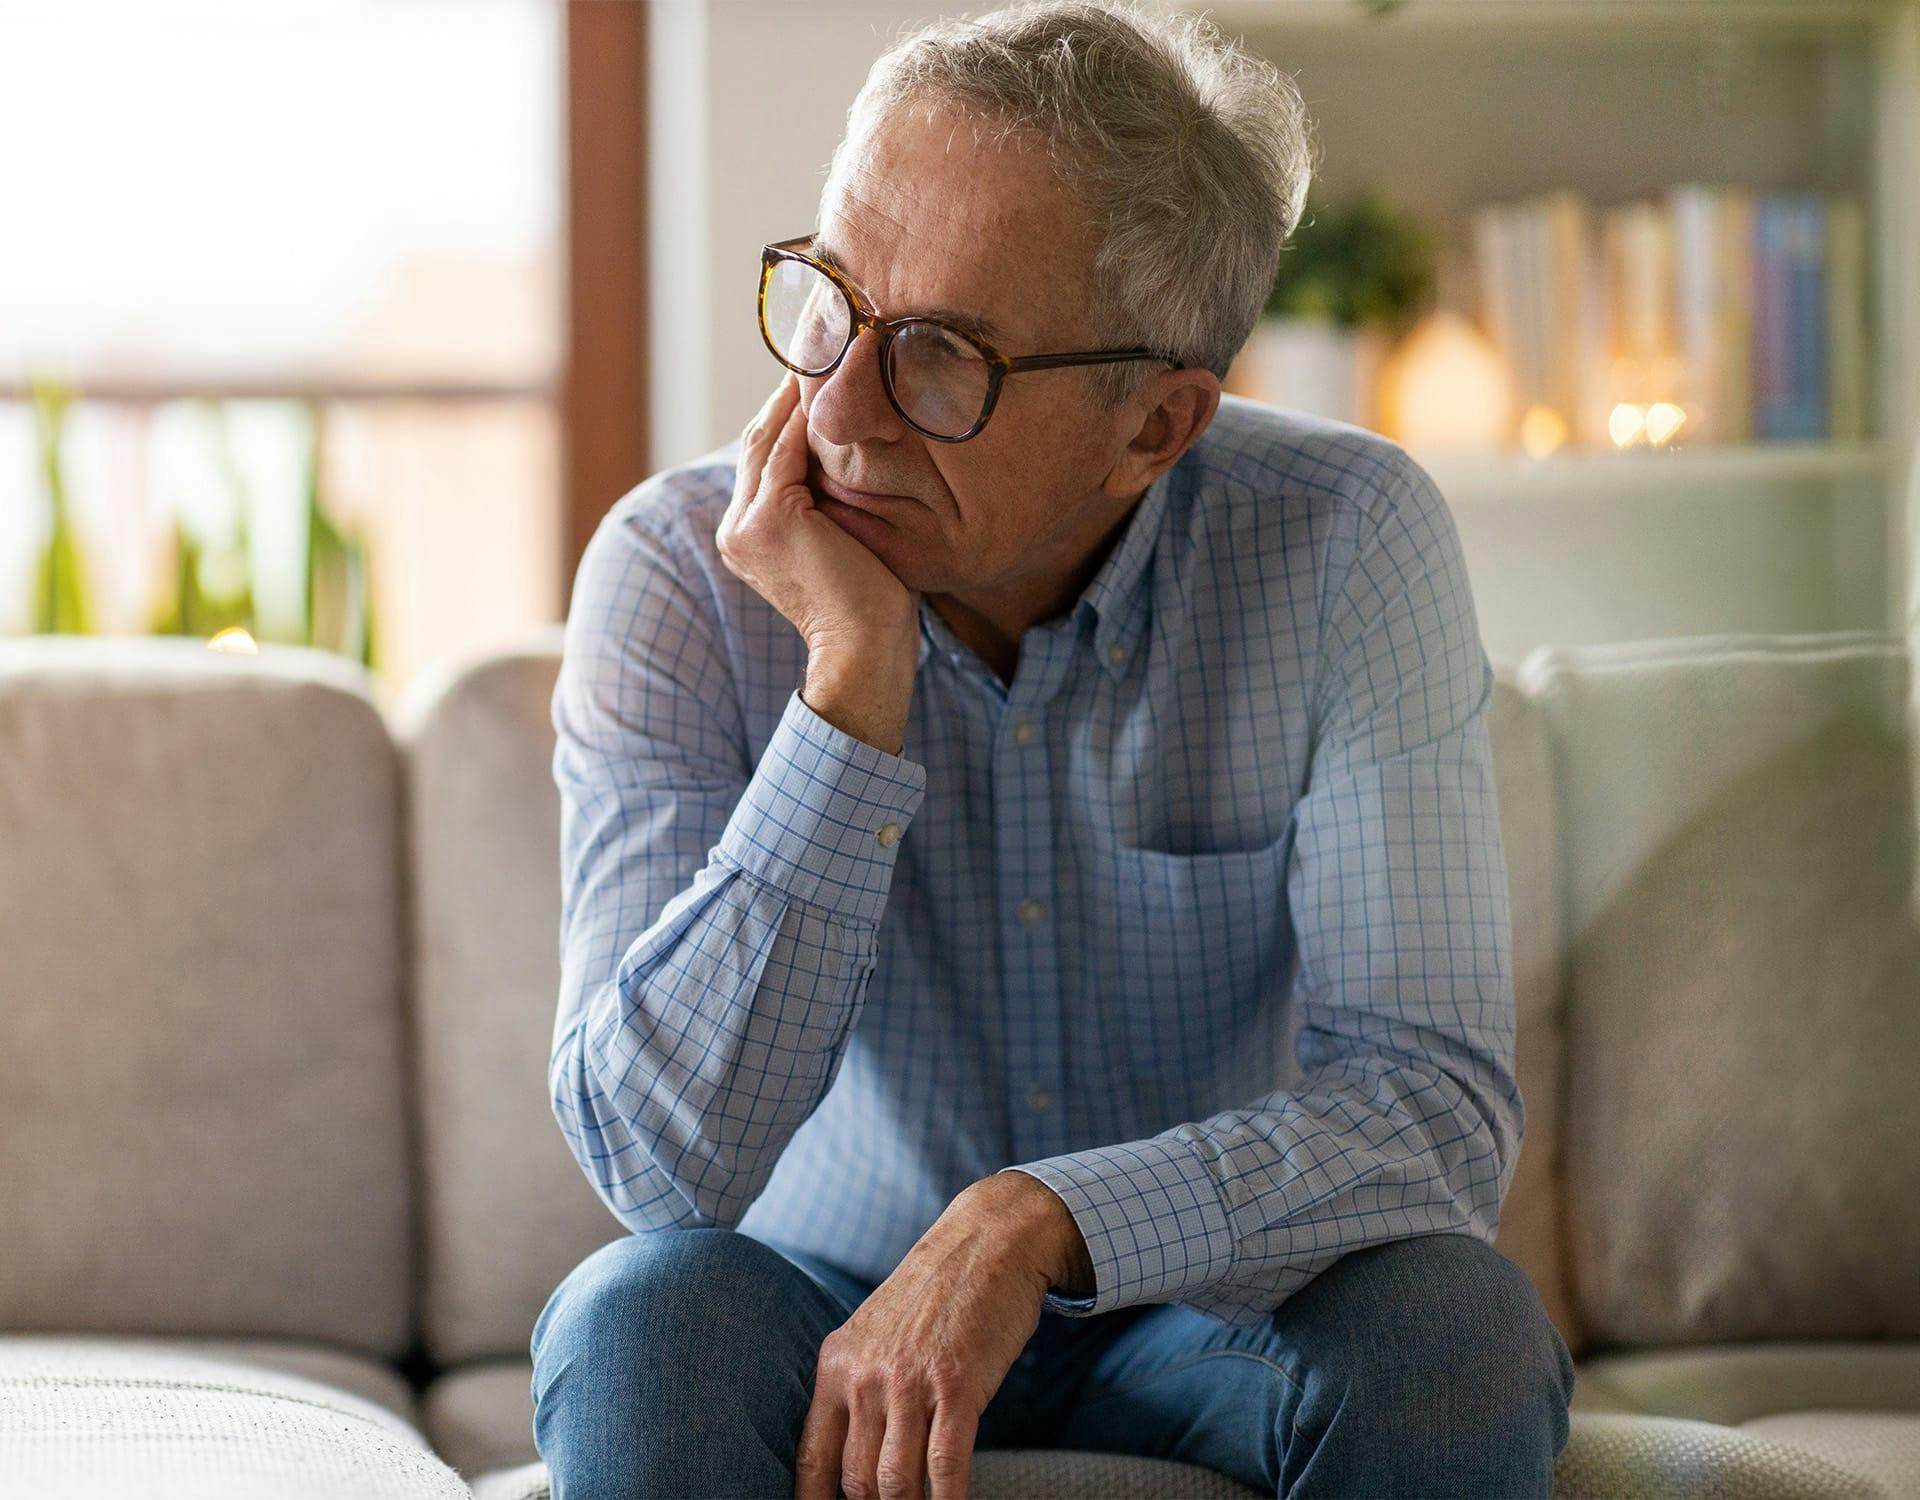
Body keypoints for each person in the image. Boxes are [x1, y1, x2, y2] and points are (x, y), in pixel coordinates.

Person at [530, 2, 1574, 1496]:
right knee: (638, 1323)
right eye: (830, 298)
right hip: (820, 1309)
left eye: (941, 357)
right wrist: (850, 689)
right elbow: (658, 1169)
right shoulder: (681, 571)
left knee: (1455, 1330)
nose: (834, 411)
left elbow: (1432, 1111)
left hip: (1211, 1315)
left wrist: (1034, 1225)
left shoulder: (1349, 540)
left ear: (1154, 425)